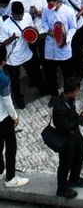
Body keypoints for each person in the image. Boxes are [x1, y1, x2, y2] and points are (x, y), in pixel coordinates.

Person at [48, 77, 83, 200]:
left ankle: (74, 178)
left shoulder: (69, 99)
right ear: (70, 91)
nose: (78, 93)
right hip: (66, 140)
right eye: (77, 91)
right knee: (65, 163)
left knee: (80, 154)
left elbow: (72, 116)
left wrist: (80, 119)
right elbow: (66, 127)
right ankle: (61, 188)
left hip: (75, 135)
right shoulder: (59, 107)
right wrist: (81, 119)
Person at [0, 46, 28, 188]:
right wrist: (15, 116)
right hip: (3, 117)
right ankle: (10, 178)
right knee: (11, 146)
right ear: (4, 59)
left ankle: (0, 170)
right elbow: (7, 101)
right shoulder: (3, 79)